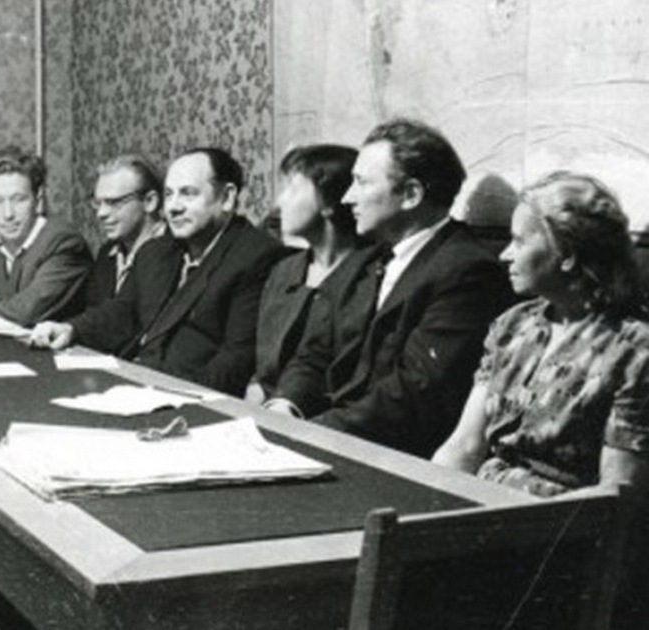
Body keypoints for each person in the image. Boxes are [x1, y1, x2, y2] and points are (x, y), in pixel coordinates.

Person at [269, 119, 513, 457]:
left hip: (395, 456)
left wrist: (312, 433)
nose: (347, 198)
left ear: (411, 194)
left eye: (361, 183)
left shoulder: (468, 272)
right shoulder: (364, 261)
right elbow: (315, 352)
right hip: (335, 436)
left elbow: (414, 394)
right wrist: (286, 406)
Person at [433, 171, 649, 495]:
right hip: (483, 503)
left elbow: (618, 492)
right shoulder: (513, 325)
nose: (505, 254)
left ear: (567, 255)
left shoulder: (634, 351)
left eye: (519, 241)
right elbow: (464, 446)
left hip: (560, 518)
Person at [30, 148, 287, 396]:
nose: (173, 207)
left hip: (187, 396)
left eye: (187, 194)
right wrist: (71, 329)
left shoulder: (256, 257)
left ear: (227, 197)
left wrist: (160, 390)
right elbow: (122, 312)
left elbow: (236, 360)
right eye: (169, 194)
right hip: (134, 383)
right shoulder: (156, 251)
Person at [248, 144, 379, 401]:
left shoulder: (372, 273)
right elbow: (264, 370)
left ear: (329, 202)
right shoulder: (283, 271)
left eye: (293, 189)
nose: (279, 202)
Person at [0, 146, 91, 326]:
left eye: (19, 199)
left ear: (38, 201)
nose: (8, 214)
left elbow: (25, 313)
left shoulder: (63, 242)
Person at [82, 154, 166, 306]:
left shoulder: (176, 252)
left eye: (113, 202)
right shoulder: (107, 254)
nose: (101, 213)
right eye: (98, 203)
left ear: (150, 202)